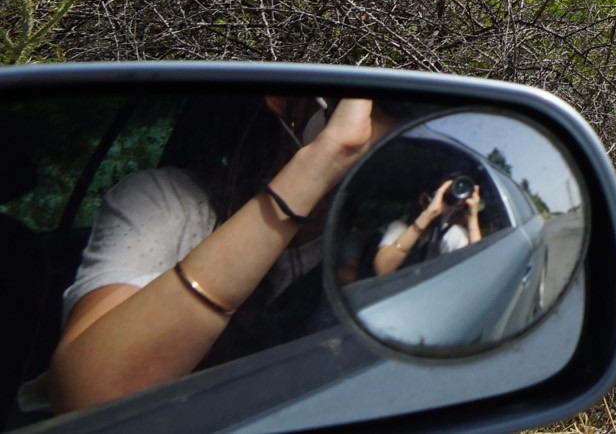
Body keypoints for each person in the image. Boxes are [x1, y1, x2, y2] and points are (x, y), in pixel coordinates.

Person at [46, 96, 381, 415]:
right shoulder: (170, 204)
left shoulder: (376, 243)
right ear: (281, 98)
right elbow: (92, 399)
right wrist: (323, 161)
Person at [373, 177, 484, 276]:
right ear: (423, 199)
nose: (447, 205)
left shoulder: (452, 234)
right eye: (442, 195)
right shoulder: (400, 228)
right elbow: (383, 269)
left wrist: (472, 218)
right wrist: (428, 215)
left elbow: (478, 269)